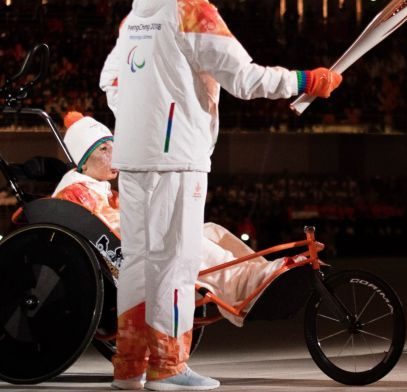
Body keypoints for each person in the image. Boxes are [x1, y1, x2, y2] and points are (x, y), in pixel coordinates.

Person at [99, 0, 342, 391]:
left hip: (132, 154)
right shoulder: (192, 8)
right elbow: (245, 78)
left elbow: (110, 81)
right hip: (176, 158)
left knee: (140, 260)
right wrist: (306, 80)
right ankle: (169, 366)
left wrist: (141, 116)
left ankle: (130, 366)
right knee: (177, 259)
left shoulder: (138, 15)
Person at [53, 112, 286, 328]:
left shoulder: (98, 188)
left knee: (211, 231)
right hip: (128, 260)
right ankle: (244, 285)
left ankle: (257, 272)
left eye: (114, 146)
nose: (114, 155)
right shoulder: (76, 192)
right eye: (104, 150)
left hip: (136, 245)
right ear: (82, 162)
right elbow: (116, 231)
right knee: (184, 237)